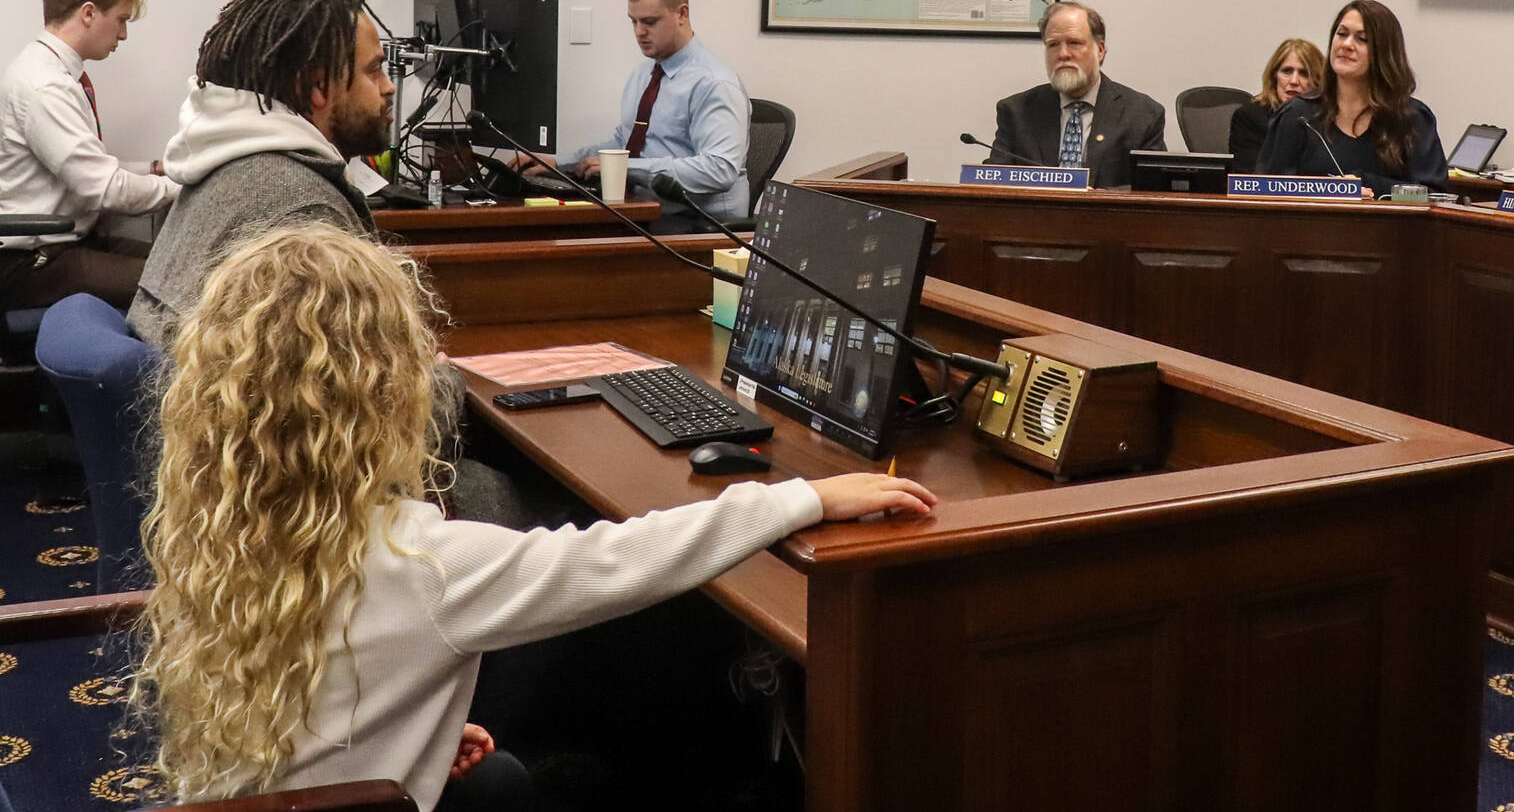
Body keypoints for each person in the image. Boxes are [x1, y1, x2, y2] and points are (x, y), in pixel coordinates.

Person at [134, 223, 935, 811]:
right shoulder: (423, 563)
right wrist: (806, 497)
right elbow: (620, 560)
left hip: (262, 792)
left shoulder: (221, 527)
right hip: (354, 801)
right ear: (380, 395)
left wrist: (409, 739)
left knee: (502, 778)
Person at [129, 0, 394, 351]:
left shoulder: (228, 163)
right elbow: (337, 400)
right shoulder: (301, 209)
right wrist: (446, 383)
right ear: (317, 87)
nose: (388, 86)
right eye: (374, 69)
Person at [0, 0, 180, 312]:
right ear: (88, 13)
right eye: (121, 20)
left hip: (64, 247)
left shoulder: (54, 74)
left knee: (184, 265)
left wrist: (155, 168)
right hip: (32, 263)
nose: (123, 34)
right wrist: (181, 187)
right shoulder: (44, 86)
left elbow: (86, 169)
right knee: (179, 283)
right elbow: (105, 188)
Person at [520, 0, 749, 226]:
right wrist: (557, 163)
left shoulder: (714, 83)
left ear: (682, 14)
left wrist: (627, 168)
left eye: (650, 22)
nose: (639, 32)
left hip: (701, 224)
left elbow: (720, 169)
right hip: (645, 210)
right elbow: (624, 141)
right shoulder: (644, 73)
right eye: (633, 21)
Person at [1259, 0, 1447, 195]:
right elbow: (1265, 193)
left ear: (1384, 52)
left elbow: (1433, 195)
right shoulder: (1297, 115)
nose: (1347, 44)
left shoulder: (1412, 118)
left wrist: (1367, 185)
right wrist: (1328, 194)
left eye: (1362, 39)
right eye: (1341, 34)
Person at [988, 1, 1166, 188]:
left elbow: (1152, 189)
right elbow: (993, 184)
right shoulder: (1016, 112)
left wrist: (1094, 198)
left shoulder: (1143, 115)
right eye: (1053, 45)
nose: (1063, 54)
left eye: (1074, 43)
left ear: (1100, 50)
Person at [1229, 38, 1324, 172]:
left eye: (1304, 73)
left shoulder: (1327, 120)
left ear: (1318, 80)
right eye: (1287, 71)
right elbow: (1249, 178)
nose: (1294, 81)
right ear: (1274, 76)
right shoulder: (1250, 117)